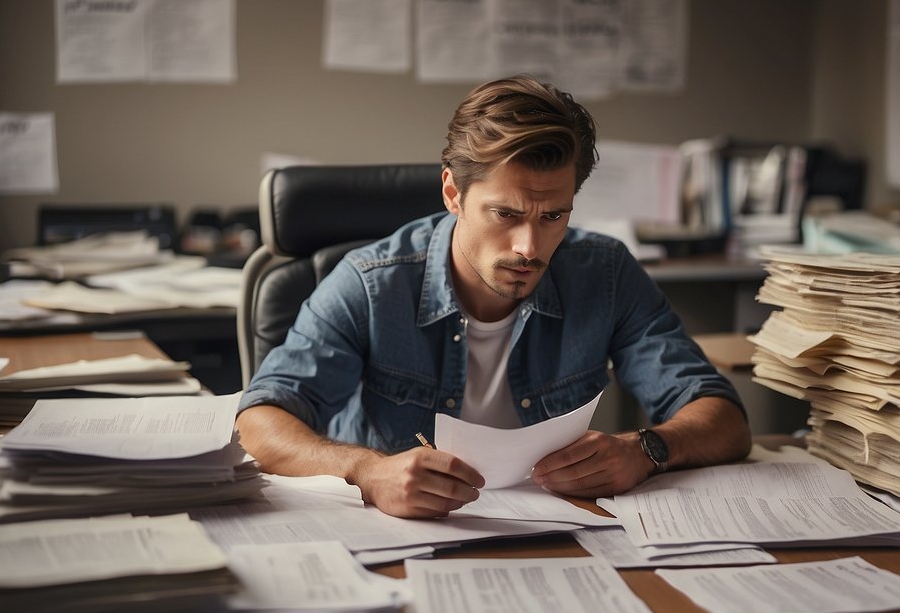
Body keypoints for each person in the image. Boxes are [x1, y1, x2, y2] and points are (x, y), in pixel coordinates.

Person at [236, 75, 751, 518]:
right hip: (407, 538)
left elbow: (721, 417)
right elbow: (258, 424)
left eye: (553, 217)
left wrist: (647, 449)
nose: (530, 248)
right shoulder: (371, 283)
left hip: (561, 534)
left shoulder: (605, 273)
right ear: (453, 194)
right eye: (506, 214)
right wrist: (366, 471)